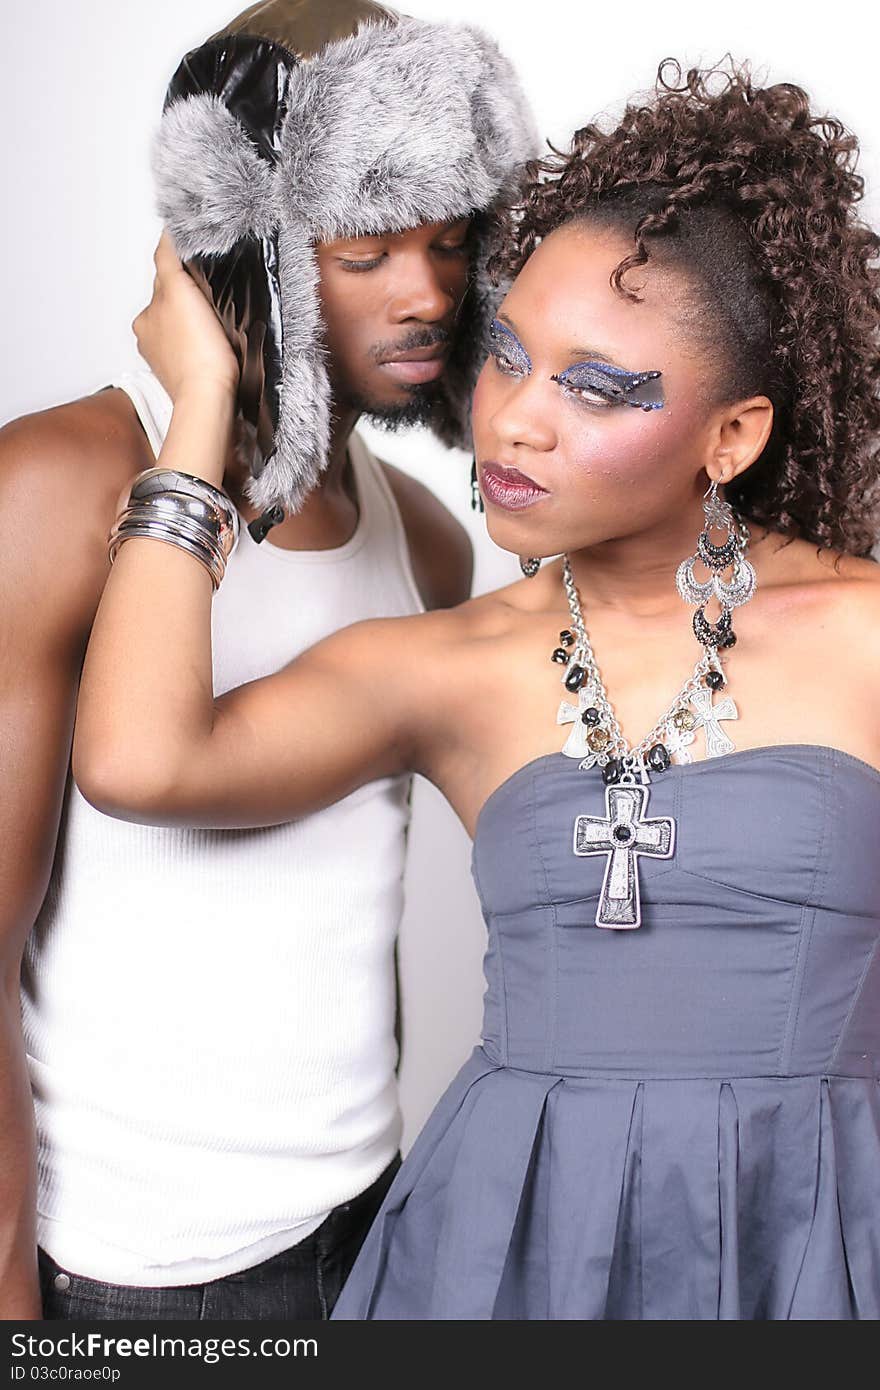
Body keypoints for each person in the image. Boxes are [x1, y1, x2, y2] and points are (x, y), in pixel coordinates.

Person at [72, 60, 880, 1320]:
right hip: (506, 1247)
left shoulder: (866, 633)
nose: (513, 422)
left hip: (813, 1236)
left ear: (734, 435)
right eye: (506, 354)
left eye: (594, 386)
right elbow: (139, 762)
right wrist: (202, 411)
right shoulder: (449, 653)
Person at [1, 0, 533, 1320]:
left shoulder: (426, 542)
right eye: (367, 247)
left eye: (450, 241)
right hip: (137, 1276)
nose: (426, 290)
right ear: (254, 249)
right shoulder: (61, 483)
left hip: (368, 1228)